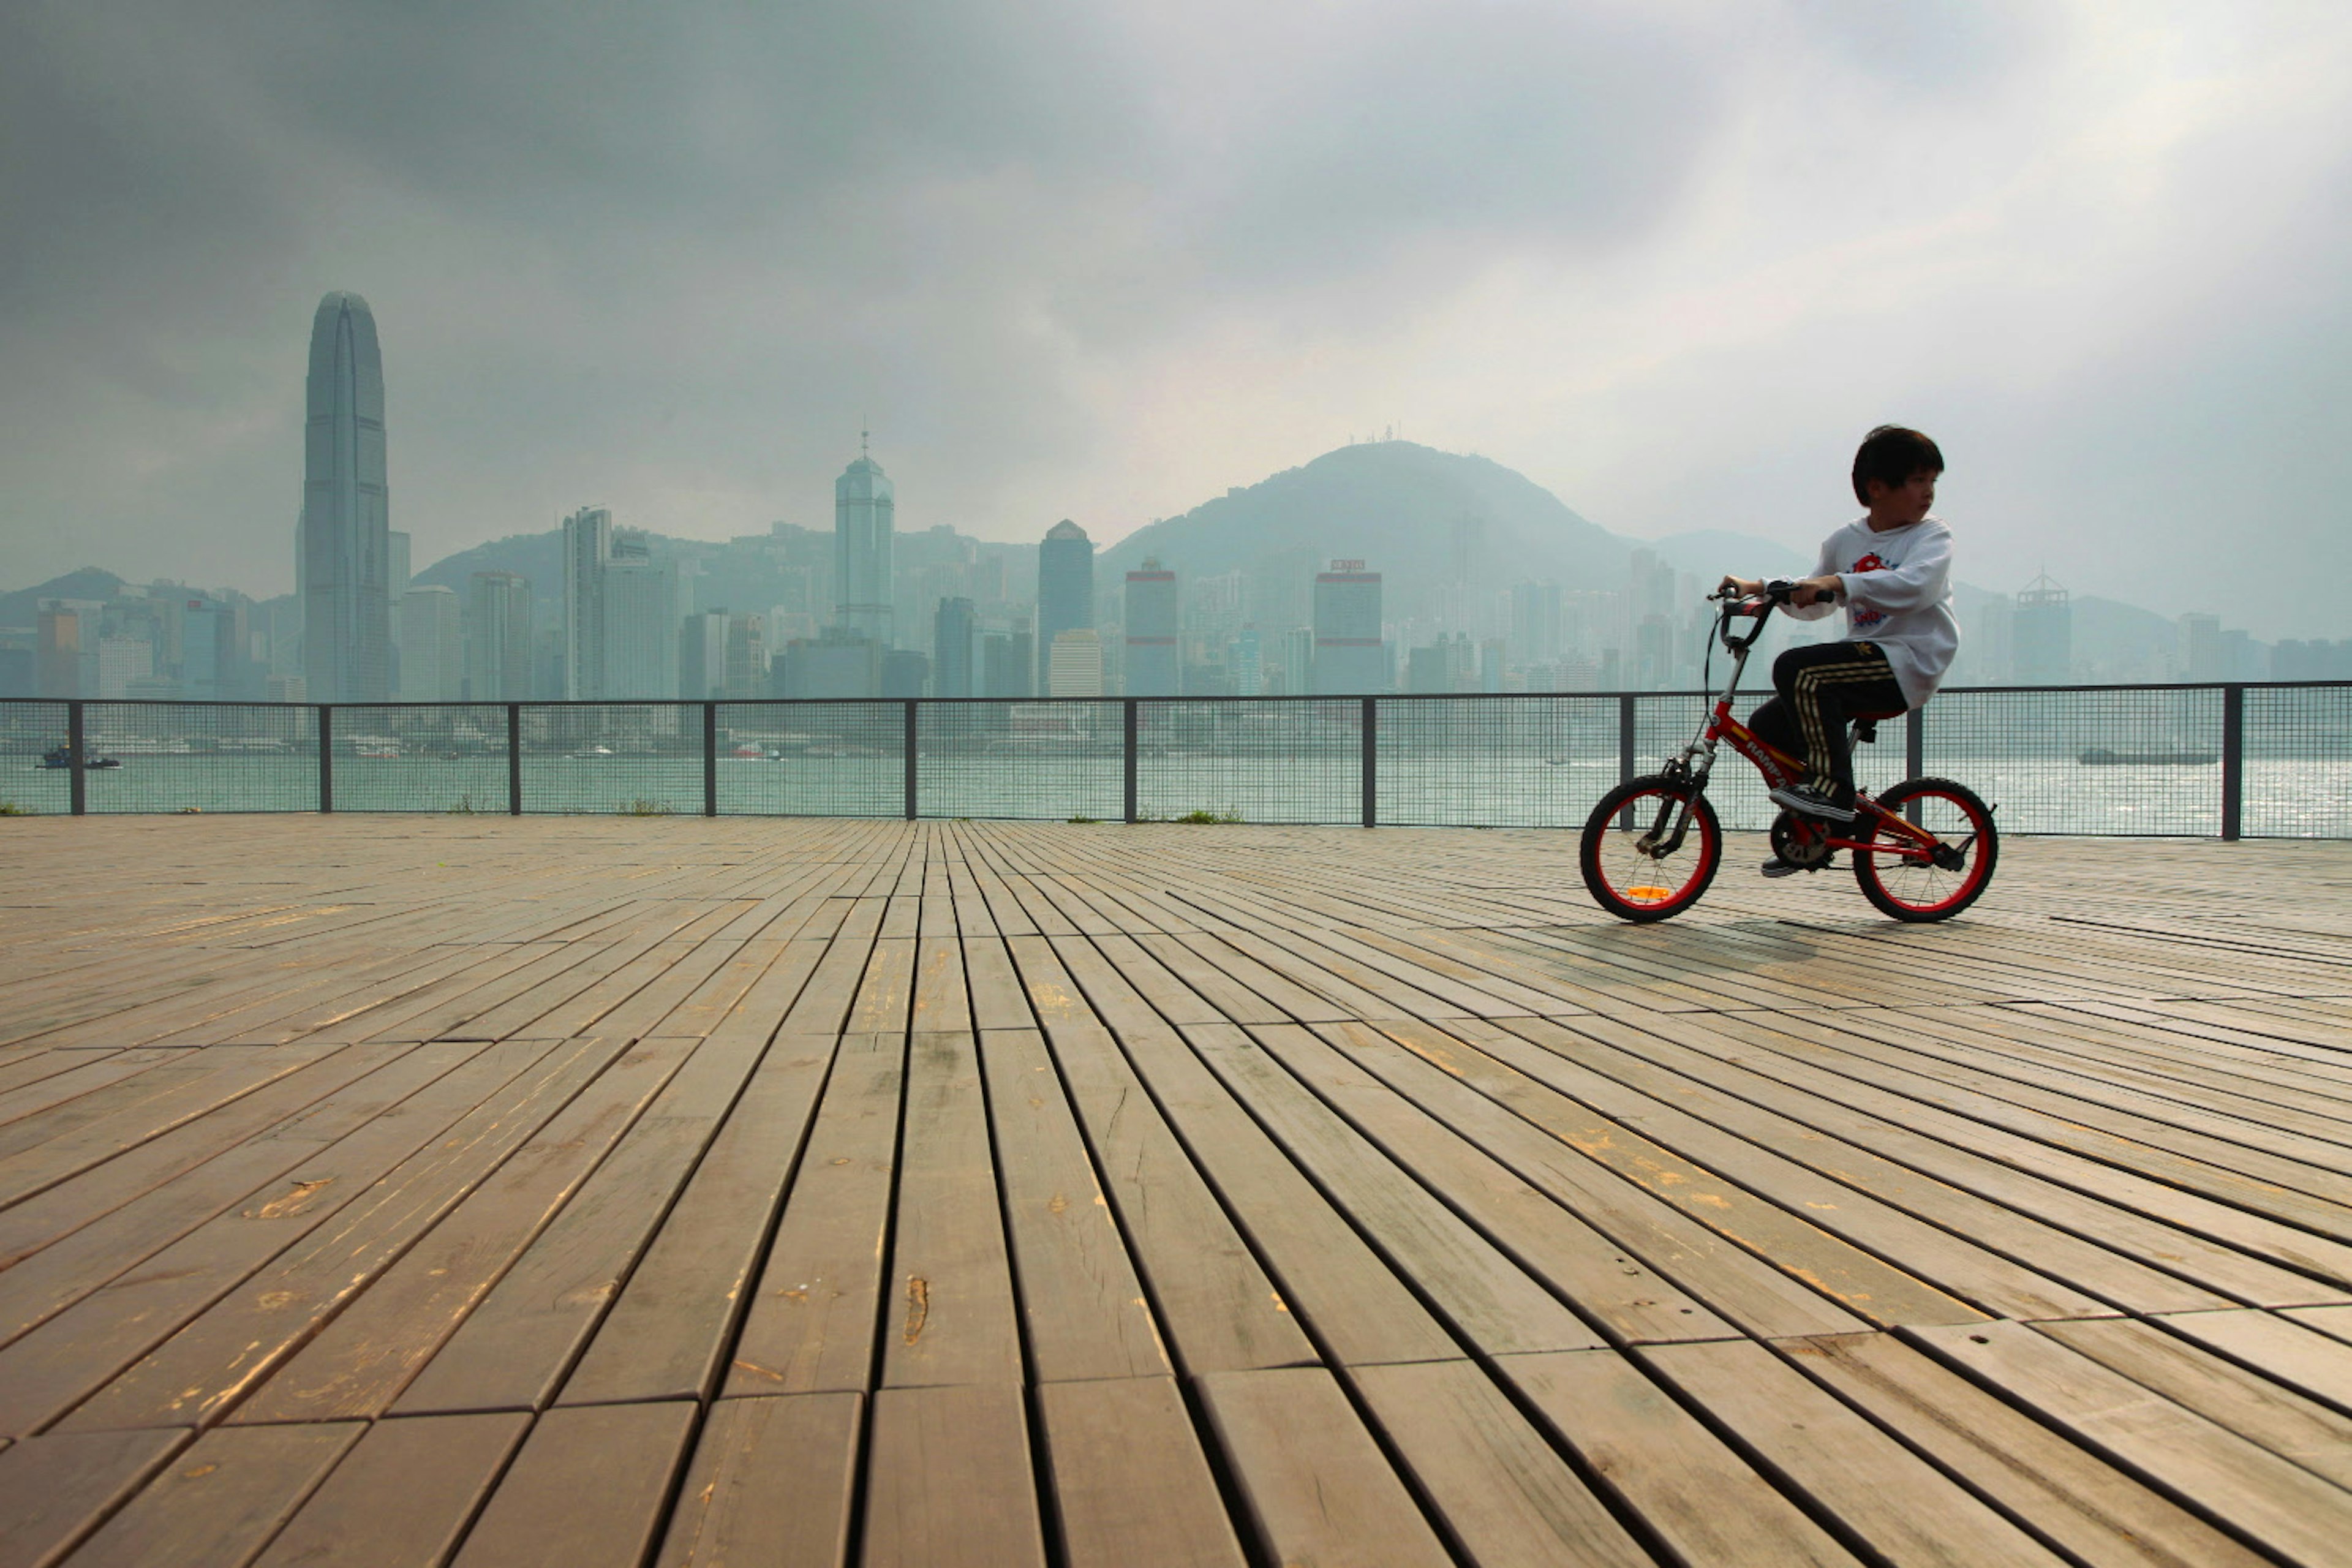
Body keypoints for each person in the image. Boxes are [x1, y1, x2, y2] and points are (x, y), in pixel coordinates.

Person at [1719, 425, 1957, 864]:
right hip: (1864, 658)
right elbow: (1812, 599)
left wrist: (1838, 581)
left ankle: (1833, 794)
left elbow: (1917, 587)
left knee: (1797, 668)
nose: (1928, 494)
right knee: (1767, 726)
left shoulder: (1930, 536)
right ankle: (1820, 829)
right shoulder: (1845, 541)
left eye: (1932, 483)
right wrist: (1758, 587)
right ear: (1877, 488)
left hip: (1909, 660)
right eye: (1918, 481)